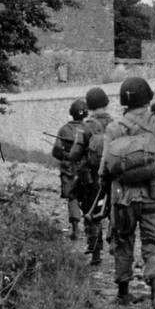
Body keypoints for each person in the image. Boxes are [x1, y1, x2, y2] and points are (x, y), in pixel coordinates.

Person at [99, 77, 155, 309]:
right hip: (154, 194)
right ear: (148, 97)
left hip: (122, 195)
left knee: (122, 241)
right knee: (153, 243)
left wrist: (104, 190)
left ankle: (123, 293)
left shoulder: (114, 127)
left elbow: (104, 167)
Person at [69, 87, 113, 265]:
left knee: (91, 210)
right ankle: (116, 245)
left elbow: (75, 154)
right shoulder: (116, 124)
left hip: (92, 178)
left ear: (89, 106)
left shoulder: (85, 127)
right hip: (113, 175)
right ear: (106, 103)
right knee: (113, 209)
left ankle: (95, 252)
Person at [51, 99, 88, 240]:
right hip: (85, 168)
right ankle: (89, 228)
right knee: (86, 196)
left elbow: (56, 151)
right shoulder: (88, 128)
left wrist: (66, 156)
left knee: (72, 197)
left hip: (69, 169)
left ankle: (75, 229)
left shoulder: (64, 129)